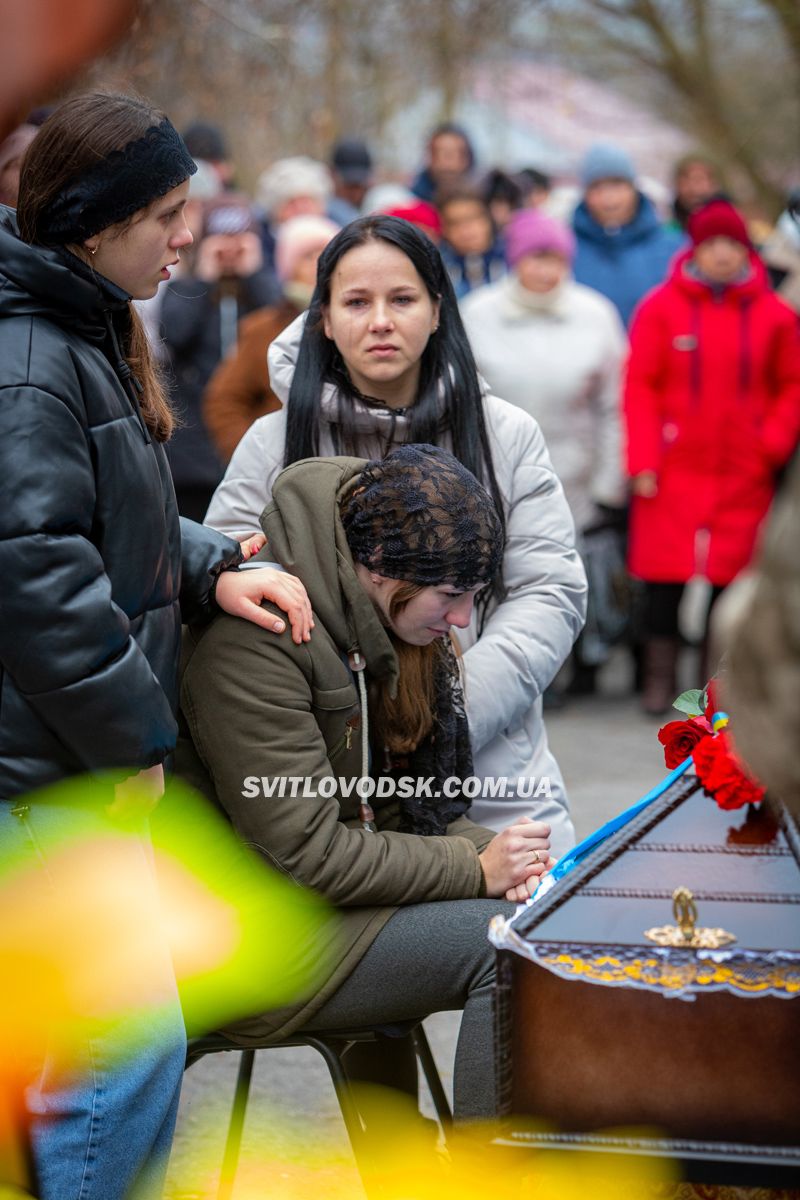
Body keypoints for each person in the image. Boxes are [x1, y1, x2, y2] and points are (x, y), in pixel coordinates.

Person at [0, 91, 312, 1200]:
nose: (189, 233)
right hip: (51, 779)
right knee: (116, 1055)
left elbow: (105, 512)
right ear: (95, 219)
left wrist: (216, 564)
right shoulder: (32, 357)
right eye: (170, 211)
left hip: (59, 767)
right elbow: (34, 571)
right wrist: (131, 742)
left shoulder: (78, 323)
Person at [177, 444, 556, 1121]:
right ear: (380, 571)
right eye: (452, 596)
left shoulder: (376, 626)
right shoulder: (258, 640)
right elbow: (312, 855)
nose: (465, 619)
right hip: (240, 940)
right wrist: (476, 870)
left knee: (534, 911)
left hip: (315, 911)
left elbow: (407, 808)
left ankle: (406, 1174)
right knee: (510, 948)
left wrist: (512, 861)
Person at [205, 215, 587, 858]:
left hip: (491, 777)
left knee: (522, 947)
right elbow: (225, 570)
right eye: (356, 301)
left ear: (438, 310)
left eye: (402, 299)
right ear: (323, 317)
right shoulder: (274, 444)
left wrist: (450, 710)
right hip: (326, 786)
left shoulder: (505, 435)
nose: (380, 321)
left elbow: (549, 589)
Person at [624, 198, 800, 714]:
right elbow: (641, 385)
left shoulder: (773, 316)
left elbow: (791, 384)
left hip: (743, 469)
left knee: (730, 581)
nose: (722, 255)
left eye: (731, 244)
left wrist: (769, 441)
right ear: (695, 249)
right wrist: (644, 461)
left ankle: (710, 689)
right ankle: (660, 680)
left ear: (746, 249)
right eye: (711, 244)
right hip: (674, 468)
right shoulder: (661, 306)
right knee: (664, 580)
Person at [461, 208, 627, 696]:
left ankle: (583, 665)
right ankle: (526, 674)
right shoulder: (479, 313)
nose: (545, 268)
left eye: (555, 257)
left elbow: (614, 404)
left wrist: (609, 482)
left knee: (571, 573)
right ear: (515, 259)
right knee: (509, 575)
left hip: (576, 471)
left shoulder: (595, 314)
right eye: (535, 257)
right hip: (495, 472)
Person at [160, 192, 281, 519]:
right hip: (192, 456)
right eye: (220, 243)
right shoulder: (185, 289)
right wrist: (203, 277)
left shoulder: (264, 291)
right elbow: (174, 335)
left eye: (240, 242)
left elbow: (283, 330)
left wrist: (254, 272)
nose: (229, 252)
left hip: (255, 448)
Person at [203, 214, 339, 462]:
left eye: (327, 255)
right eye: (308, 256)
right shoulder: (262, 328)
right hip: (281, 472)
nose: (318, 265)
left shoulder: (352, 324)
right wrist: (253, 458)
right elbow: (224, 401)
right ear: (289, 267)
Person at [572, 142, 684, 327]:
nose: (608, 197)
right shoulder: (566, 250)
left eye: (617, 184)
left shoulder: (674, 248)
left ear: (633, 187)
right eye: (597, 187)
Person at [438, 187, 506, 298]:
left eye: (472, 218)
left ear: (489, 219)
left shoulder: (513, 260)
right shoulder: (439, 271)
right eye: (454, 223)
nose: (465, 230)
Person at [410, 122, 475, 203]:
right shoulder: (408, 203)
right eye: (439, 154)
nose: (447, 164)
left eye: (454, 154)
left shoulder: (483, 201)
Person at [327, 136, 373, 227]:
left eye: (359, 185)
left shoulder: (371, 208)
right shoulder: (324, 214)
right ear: (332, 175)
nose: (354, 192)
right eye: (349, 185)